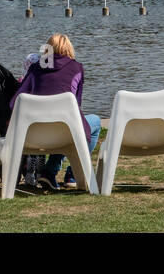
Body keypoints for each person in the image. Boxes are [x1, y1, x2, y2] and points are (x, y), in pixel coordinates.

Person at [12, 33, 100, 190]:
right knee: (95, 122)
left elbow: (14, 103)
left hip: (33, 133)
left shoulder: (35, 68)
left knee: (64, 124)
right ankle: (71, 174)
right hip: (66, 132)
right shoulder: (77, 68)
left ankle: (50, 173)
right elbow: (76, 104)